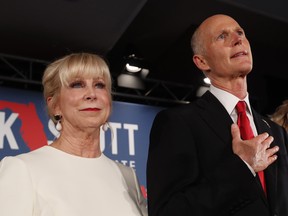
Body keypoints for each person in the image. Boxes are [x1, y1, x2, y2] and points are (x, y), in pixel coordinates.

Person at [146, 14, 288, 216]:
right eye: (222, 36)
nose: (238, 39)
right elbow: (167, 211)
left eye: (240, 32)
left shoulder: (275, 131)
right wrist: (243, 166)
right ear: (202, 61)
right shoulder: (178, 123)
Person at [0, 53, 147, 216]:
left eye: (99, 85)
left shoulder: (128, 176)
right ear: (55, 105)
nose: (92, 94)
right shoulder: (23, 169)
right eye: (77, 84)